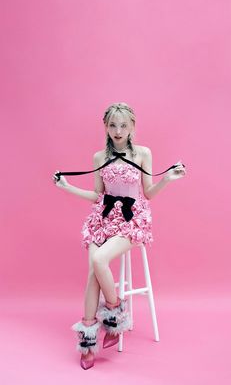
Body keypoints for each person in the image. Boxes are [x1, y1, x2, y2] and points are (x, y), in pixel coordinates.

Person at [52, 102, 186, 370]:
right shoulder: (99, 157)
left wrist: (167, 179)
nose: (118, 130)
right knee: (93, 270)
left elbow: (147, 193)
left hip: (131, 219)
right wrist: (66, 187)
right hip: (102, 219)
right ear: (106, 127)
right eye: (113, 125)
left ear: (133, 127)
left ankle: (114, 317)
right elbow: (97, 195)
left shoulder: (143, 154)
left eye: (124, 125)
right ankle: (89, 343)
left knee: (99, 260)